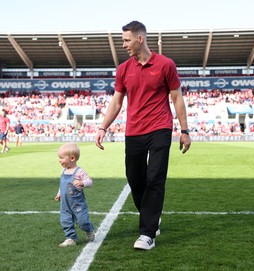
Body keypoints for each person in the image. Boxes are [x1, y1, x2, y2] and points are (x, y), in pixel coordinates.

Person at [95, 21, 191, 250]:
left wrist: (185, 131)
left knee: (155, 177)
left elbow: (177, 98)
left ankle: (147, 234)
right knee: (135, 178)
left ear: (140, 39)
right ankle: (151, 216)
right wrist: (102, 127)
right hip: (134, 131)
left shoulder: (166, 64)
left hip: (160, 128)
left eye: (127, 40)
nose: (124, 45)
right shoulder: (123, 69)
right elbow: (117, 102)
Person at [54, 142, 95, 247]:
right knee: (65, 221)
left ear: (72, 158)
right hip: (65, 204)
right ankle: (71, 238)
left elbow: (90, 182)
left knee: (83, 222)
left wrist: (82, 183)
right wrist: (59, 194)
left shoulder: (79, 171)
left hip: (78, 204)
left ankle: (89, 230)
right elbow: (62, 185)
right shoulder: (63, 171)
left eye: (62, 158)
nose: (59, 160)